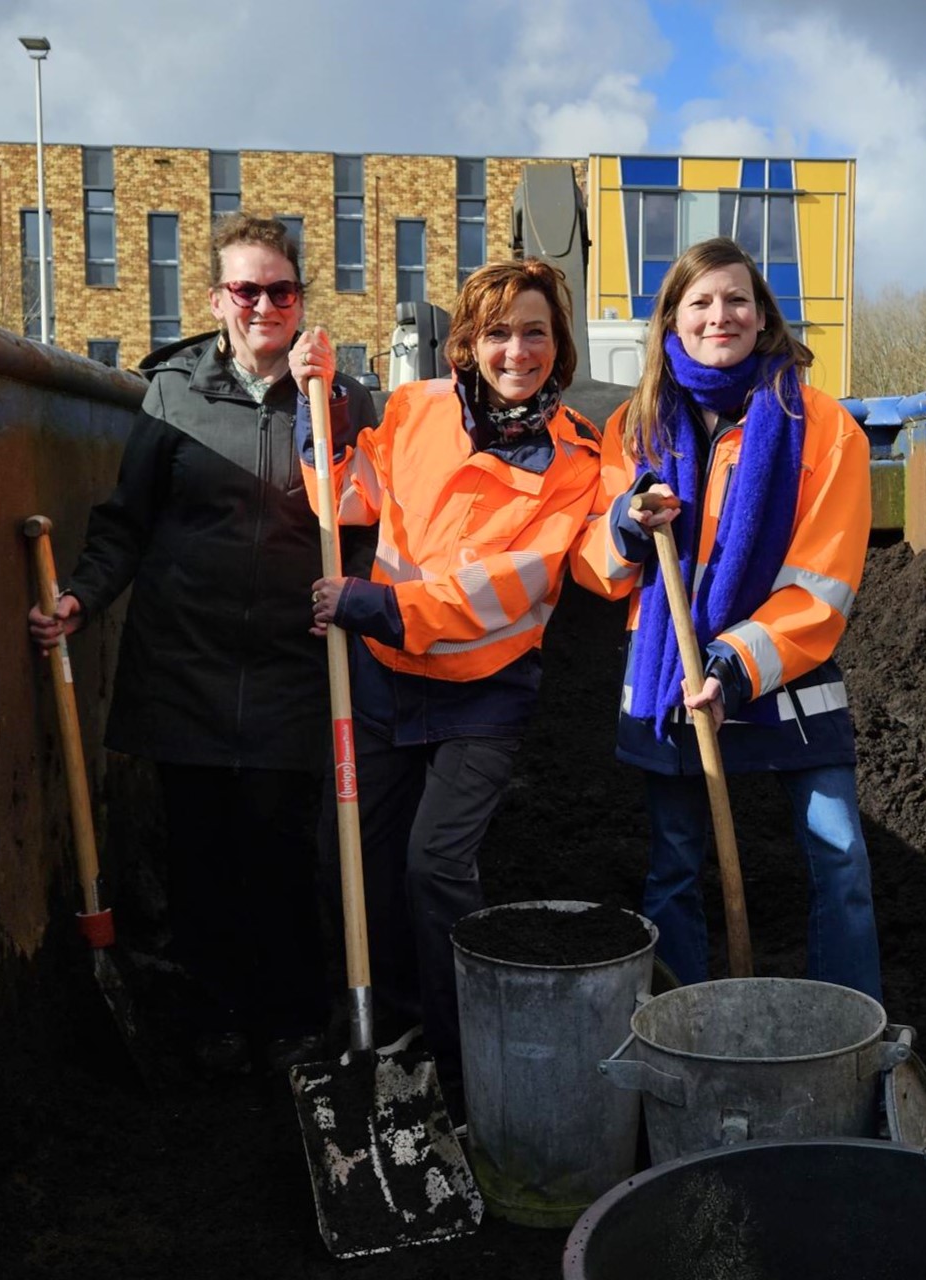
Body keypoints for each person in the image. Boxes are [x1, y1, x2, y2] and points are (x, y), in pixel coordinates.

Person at [26, 214, 376, 1075]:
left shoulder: (342, 399)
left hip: (296, 664)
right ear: (218, 298)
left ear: (301, 300)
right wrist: (82, 595)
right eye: (246, 289)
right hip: (185, 660)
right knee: (201, 851)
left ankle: (293, 1019)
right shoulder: (172, 392)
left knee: (281, 847)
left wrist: (364, 604)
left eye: (281, 291)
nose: (264, 305)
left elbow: (372, 534)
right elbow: (126, 523)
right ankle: (217, 1016)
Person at [290, 258, 606, 1115]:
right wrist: (314, 421)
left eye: (534, 331)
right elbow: (351, 499)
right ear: (466, 342)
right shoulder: (419, 407)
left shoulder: (576, 456)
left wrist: (375, 604)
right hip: (386, 681)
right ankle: (381, 1026)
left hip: (483, 691)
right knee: (350, 857)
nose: (516, 350)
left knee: (435, 866)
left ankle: (459, 1054)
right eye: (497, 332)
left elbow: (518, 582)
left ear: (558, 344)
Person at [577, 237, 882, 1001]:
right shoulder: (635, 426)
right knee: (676, 861)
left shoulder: (821, 424)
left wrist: (734, 664)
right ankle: (687, 1020)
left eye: (738, 299)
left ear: (762, 313)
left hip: (786, 670)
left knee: (840, 857)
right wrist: (624, 522)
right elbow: (597, 566)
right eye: (702, 302)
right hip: (673, 673)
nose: (723, 315)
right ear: (673, 319)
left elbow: (826, 577)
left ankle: (848, 1027)